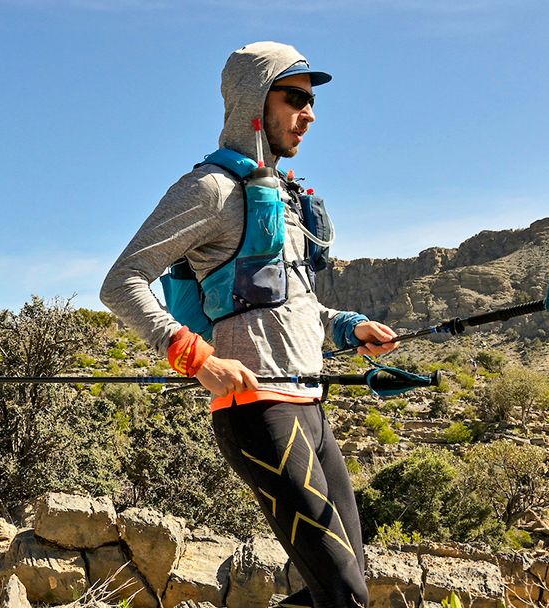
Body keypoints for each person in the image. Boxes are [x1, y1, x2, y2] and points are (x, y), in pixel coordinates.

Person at [101, 42, 399, 607]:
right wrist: (196, 357)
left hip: (310, 406)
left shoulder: (282, 196)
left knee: (342, 585)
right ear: (254, 100)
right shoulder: (210, 189)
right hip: (259, 411)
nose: (309, 114)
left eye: (312, 102)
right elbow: (122, 281)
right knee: (345, 595)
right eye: (296, 99)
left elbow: (292, 305)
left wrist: (348, 327)